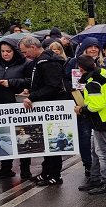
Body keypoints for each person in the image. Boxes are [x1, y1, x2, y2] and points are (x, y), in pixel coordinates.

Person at [18, 35, 69, 185]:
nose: (24, 55)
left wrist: (33, 96)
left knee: (52, 141)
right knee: (45, 142)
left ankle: (55, 175)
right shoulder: (40, 61)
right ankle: (46, 172)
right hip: (45, 106)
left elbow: (53, 86)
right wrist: (31, 90)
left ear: (33, 47)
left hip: (52, 106)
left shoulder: (48, 61)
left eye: (25, 51)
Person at [63, 36, 106, 182]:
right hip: (81, 103)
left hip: (99, 107)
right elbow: (65, 78)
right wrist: (73, 90)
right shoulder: (73, 62)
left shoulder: (105, 63)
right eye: (91, 47)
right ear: (84, 48)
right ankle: (88, 166)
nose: (94, 49)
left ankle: (103, 173)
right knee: (84, 136)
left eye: (96, 47)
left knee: (100, 142)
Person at [0, 40, 30, 181]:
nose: (5, 54)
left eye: (8, 51)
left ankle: (25, 170)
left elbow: (30, 81)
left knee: (22, 137)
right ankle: (5, 168)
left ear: (14, 51)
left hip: (18, 106)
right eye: (3, 51)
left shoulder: (25, 63)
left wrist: (10, 83)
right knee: (6, 136)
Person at [75, 54, 106, 195]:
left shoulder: (93, 82)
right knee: (96, 150)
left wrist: (81, 109)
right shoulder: (103, 73)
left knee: (103, 152)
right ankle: (95, 178)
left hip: (100, 119)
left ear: (81, 69)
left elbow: (96, 105)